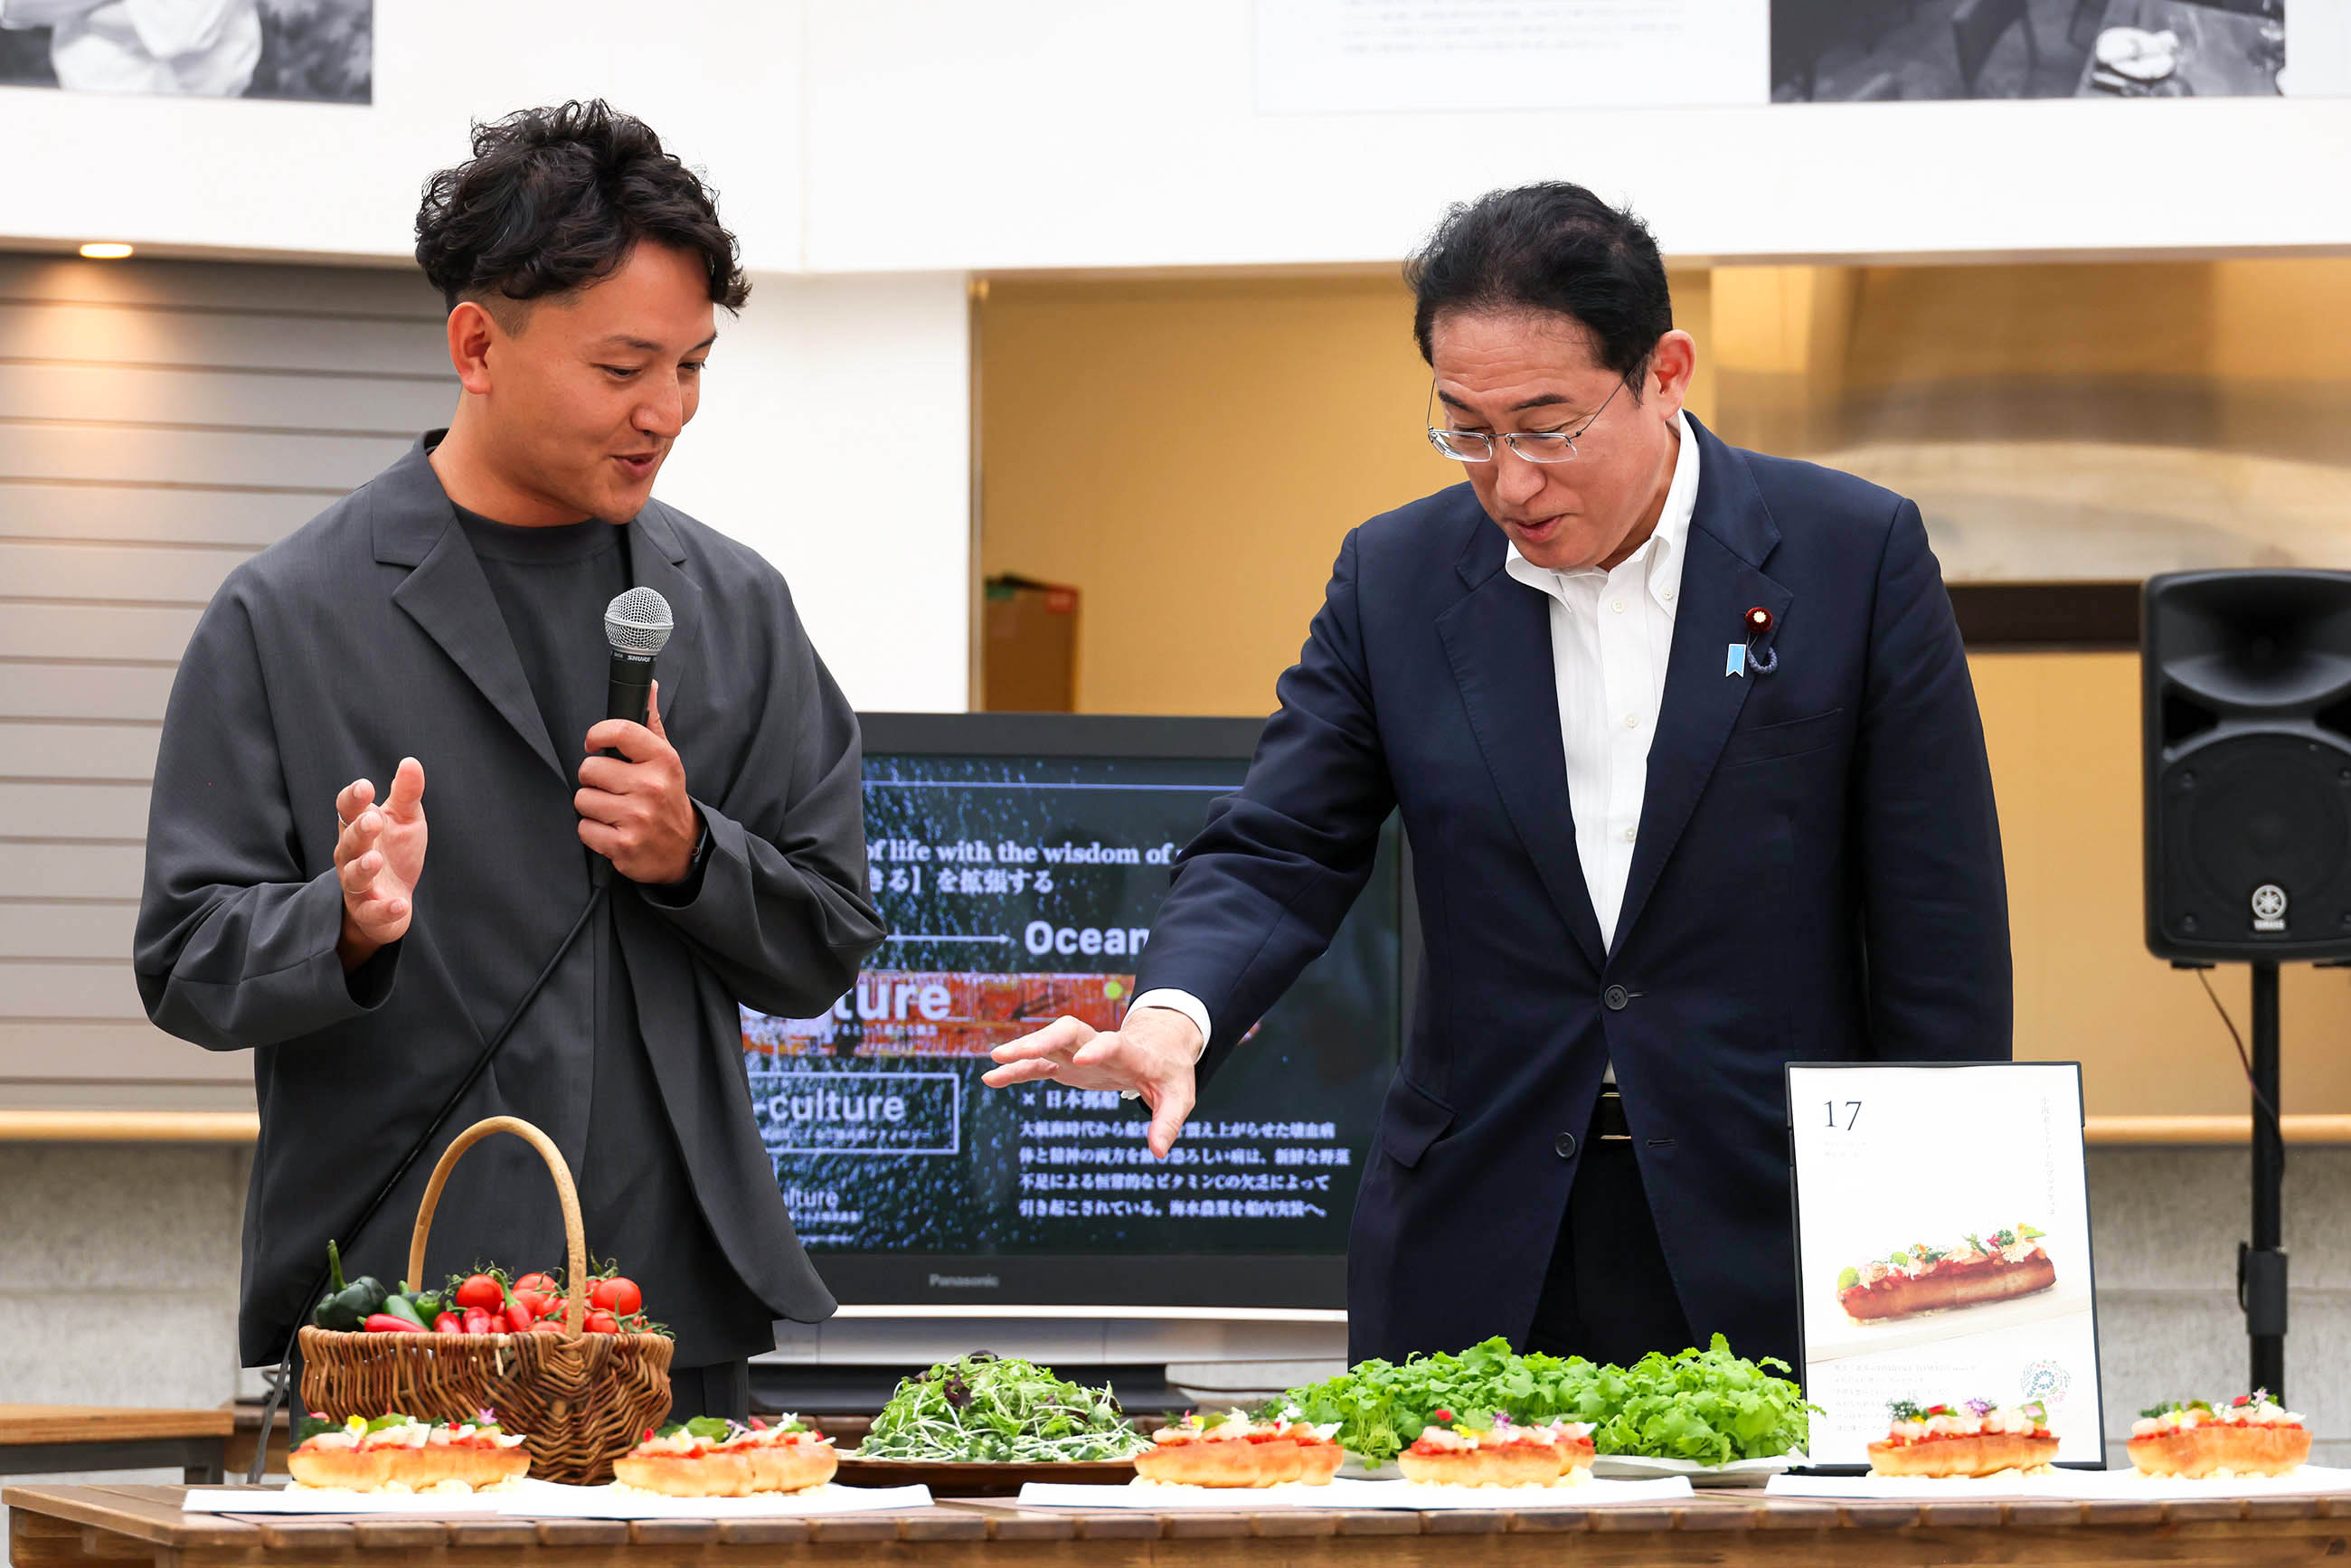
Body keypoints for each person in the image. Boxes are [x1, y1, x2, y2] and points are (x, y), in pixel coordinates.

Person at [984, 183, 2010, 1373]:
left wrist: (1940, 1249)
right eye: (1468, 429)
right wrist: (1172, 1010)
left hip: (1778, 1228)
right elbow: (1282, 840)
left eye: (1548, 424)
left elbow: (1941, 931)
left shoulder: (1853, 555)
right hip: (1484, 1239)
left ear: (1666, 372)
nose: (1511, 480)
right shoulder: (1399, 578)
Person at [135, 100, 885, 1420]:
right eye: (624, 369)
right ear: (477, 344)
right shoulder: (285, 615)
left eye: (694, 366)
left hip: (670, 1321)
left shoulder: (735, 603)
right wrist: (344, 919)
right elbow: (187, 960)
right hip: (404, 1315)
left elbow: (828, 935)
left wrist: (693, 855)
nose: (667, 411)